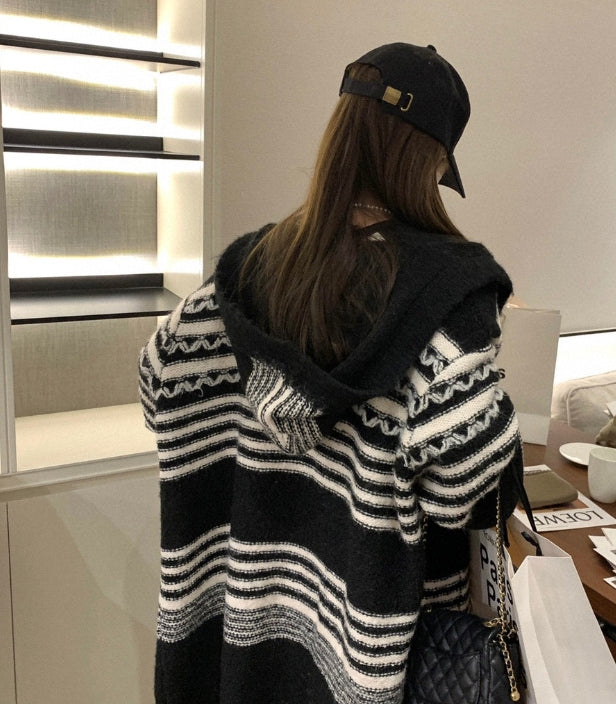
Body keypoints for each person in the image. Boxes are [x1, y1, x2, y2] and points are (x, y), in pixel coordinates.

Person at [139, 42, 523, 704]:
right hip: (363, 651)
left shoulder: (246, 270)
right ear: (429, 161)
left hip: (241, 643)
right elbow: (463, 486)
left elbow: (159, 380)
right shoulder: (450, 291)